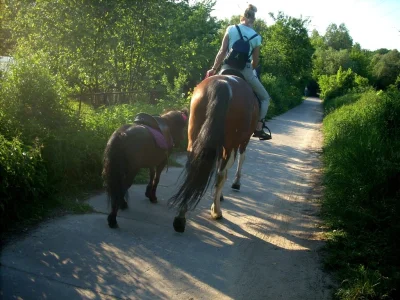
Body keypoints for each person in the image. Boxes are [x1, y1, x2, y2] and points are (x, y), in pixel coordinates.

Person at [206, 4, 272, 140]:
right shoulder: (256, 37)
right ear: (254, 19)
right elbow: (255, 61)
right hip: (245, 70)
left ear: (242, 16)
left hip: (226, 67)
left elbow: (222, 51)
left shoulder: (231, 29)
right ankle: (259, 128)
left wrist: (213, 68)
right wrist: (250, 70)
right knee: (265, 98)